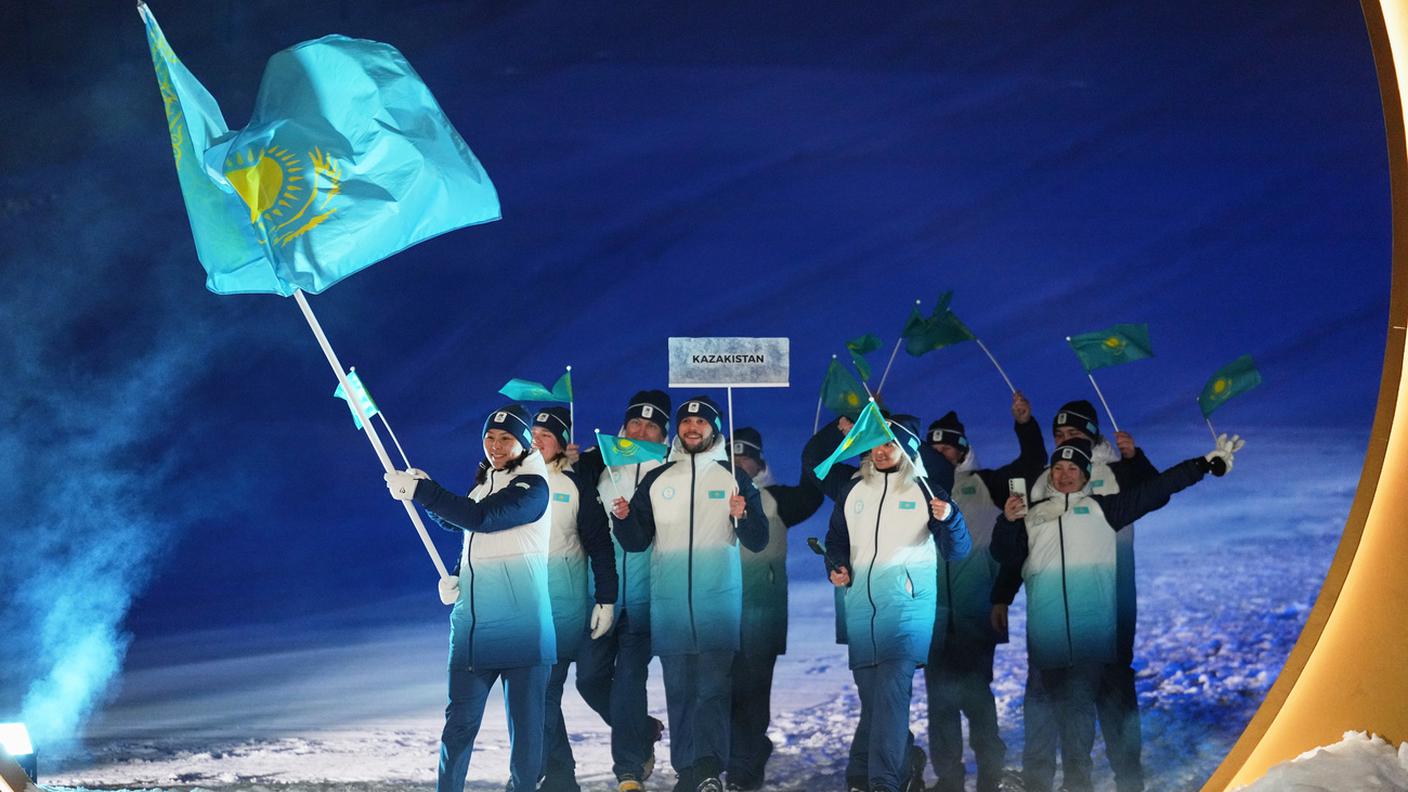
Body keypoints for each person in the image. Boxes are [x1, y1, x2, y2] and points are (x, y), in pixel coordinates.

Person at [990, 434, 1243, 792]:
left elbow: (1156, 489)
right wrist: (1007, 521)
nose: (1064, 475)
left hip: (1090, 642)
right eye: (1059, 468)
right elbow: (1005, 556)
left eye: (1073, 468)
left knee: (1077, 733)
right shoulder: (1033, 517)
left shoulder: (1103, 510)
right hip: (1045, 646)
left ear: (1085, 474)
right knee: (1039, 727)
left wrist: (1203, 464)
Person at [383, 404, 554, 792]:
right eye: (490, 438)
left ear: (524, 442)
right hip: (473, 631)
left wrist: (425, 493)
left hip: (523, 629)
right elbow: (466, 525)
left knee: (526, 734)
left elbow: (482, 518)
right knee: (458, 727)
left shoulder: (533, 488)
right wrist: (458, 574)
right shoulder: (483, 486)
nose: (495, 445)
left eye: (506, 438)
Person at [611, 395, 769, 792]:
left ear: (713, 429)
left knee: (713, 692)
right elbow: (635, 542)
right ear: (679, 430)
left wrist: (742, 515)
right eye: (686, 422)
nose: (692, 428)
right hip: (670, 607)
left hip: (718, 605)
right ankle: (687, 771)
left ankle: (709, 769)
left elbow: (758, 540)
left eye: (700, 423)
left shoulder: (733, 476)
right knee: (680, 693)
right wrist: (623, 519)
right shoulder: (659, 478)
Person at [803, 411, 958, 792]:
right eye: (873, 442)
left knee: (888, 696)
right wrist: (836, 564)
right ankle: (896, 763)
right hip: (861, 613)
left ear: (906, 445)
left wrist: (951, 517)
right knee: (876, 704)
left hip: (905, 612)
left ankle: (882, 783)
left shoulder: (927, 487)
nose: (881, 450)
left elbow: (957, 548)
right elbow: (833, 527)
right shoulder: (852, 487)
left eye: (889, 441)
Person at [1010, 400, 1156, 792]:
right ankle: (1039, 780)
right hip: (1054, 605)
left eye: (1073, 434)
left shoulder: (1116, 470)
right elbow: (1025, 536)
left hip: (1113, 592)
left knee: (1113, 687)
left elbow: (1154, 491)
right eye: (1058, 436)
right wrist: (1002, 595)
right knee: (1042, 688)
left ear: (1092, 433)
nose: (1065, 441)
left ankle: (1128, 778)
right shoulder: (1051, 477)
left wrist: (1135, 457)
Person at [923, 392, 1046, 792]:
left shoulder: (987, 483)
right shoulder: (914, 489)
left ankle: (990, 775)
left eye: (947, 448)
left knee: (977, 696)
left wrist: (1025, 425)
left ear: (962, 452)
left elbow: (1032, 465)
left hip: (979, 611)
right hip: (932, 616)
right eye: (934, 449)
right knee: (939, 702)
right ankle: (949, 779)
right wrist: (877, 414)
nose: (941, 455)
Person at [573, 390, 672, 792]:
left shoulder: (672, 470)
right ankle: (642, 729)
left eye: (652, 426)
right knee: (589, 679)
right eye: (636, 423)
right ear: (625, 426)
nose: (642, 430)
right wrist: (571, 459)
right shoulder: (597, 463)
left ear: (663, 434)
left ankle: (629, 771)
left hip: (648, 596)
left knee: (631, 680)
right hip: (604, 595)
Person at [726, 427, 825, 791]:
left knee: (751, 701)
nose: (737, 463)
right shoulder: (701, 497)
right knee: (718, 700)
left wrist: (819, 445)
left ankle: (743, 776)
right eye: (730, 457)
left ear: (759, 463)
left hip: (760, 618)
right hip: (712, 617)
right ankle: (742, 757)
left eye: (744, 457)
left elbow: (813, 494)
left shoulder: (777, 499)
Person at [531, 406, 621, 792]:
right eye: (531, 434)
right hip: (517, 606)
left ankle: (554, 774)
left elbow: (601, 545)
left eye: (545, 436)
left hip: (563, 604)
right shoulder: (503, 482)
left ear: (560, 443)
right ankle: (552, 770)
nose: (535, 441)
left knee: (544, 688)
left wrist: (606, 598)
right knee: (531, 691)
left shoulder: (574, 484)